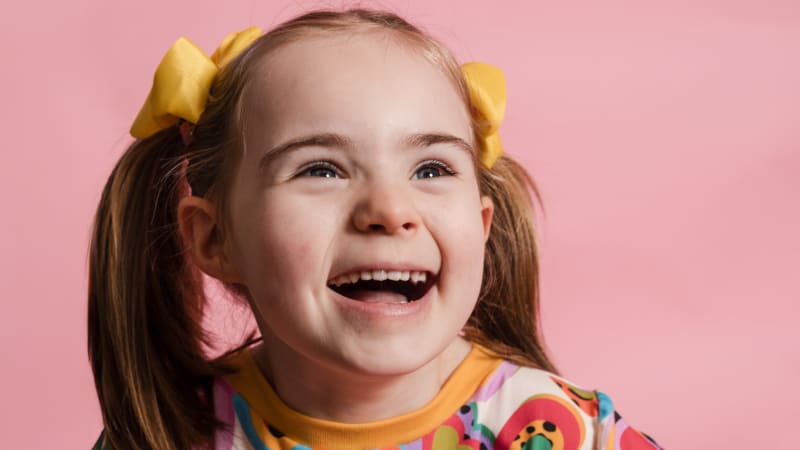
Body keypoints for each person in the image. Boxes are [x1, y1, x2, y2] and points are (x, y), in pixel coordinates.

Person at [88, 8, 662, 450]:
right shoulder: (164, 434)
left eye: (432, 168)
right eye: (320, 168)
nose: (389, 210)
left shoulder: (567, 433)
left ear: (482, 227)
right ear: (215, 239)